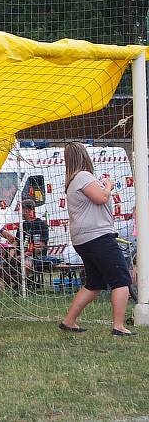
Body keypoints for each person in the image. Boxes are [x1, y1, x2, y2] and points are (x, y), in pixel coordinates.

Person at [59, 142, 136, 336]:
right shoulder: (83, 176)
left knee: (95, 282)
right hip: (97, 236)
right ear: (84, 156)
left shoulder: (72, 181)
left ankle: (69, 321)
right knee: (121, 279)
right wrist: (108, 186)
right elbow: (101, 197)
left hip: (83, 239)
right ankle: (118, 326)